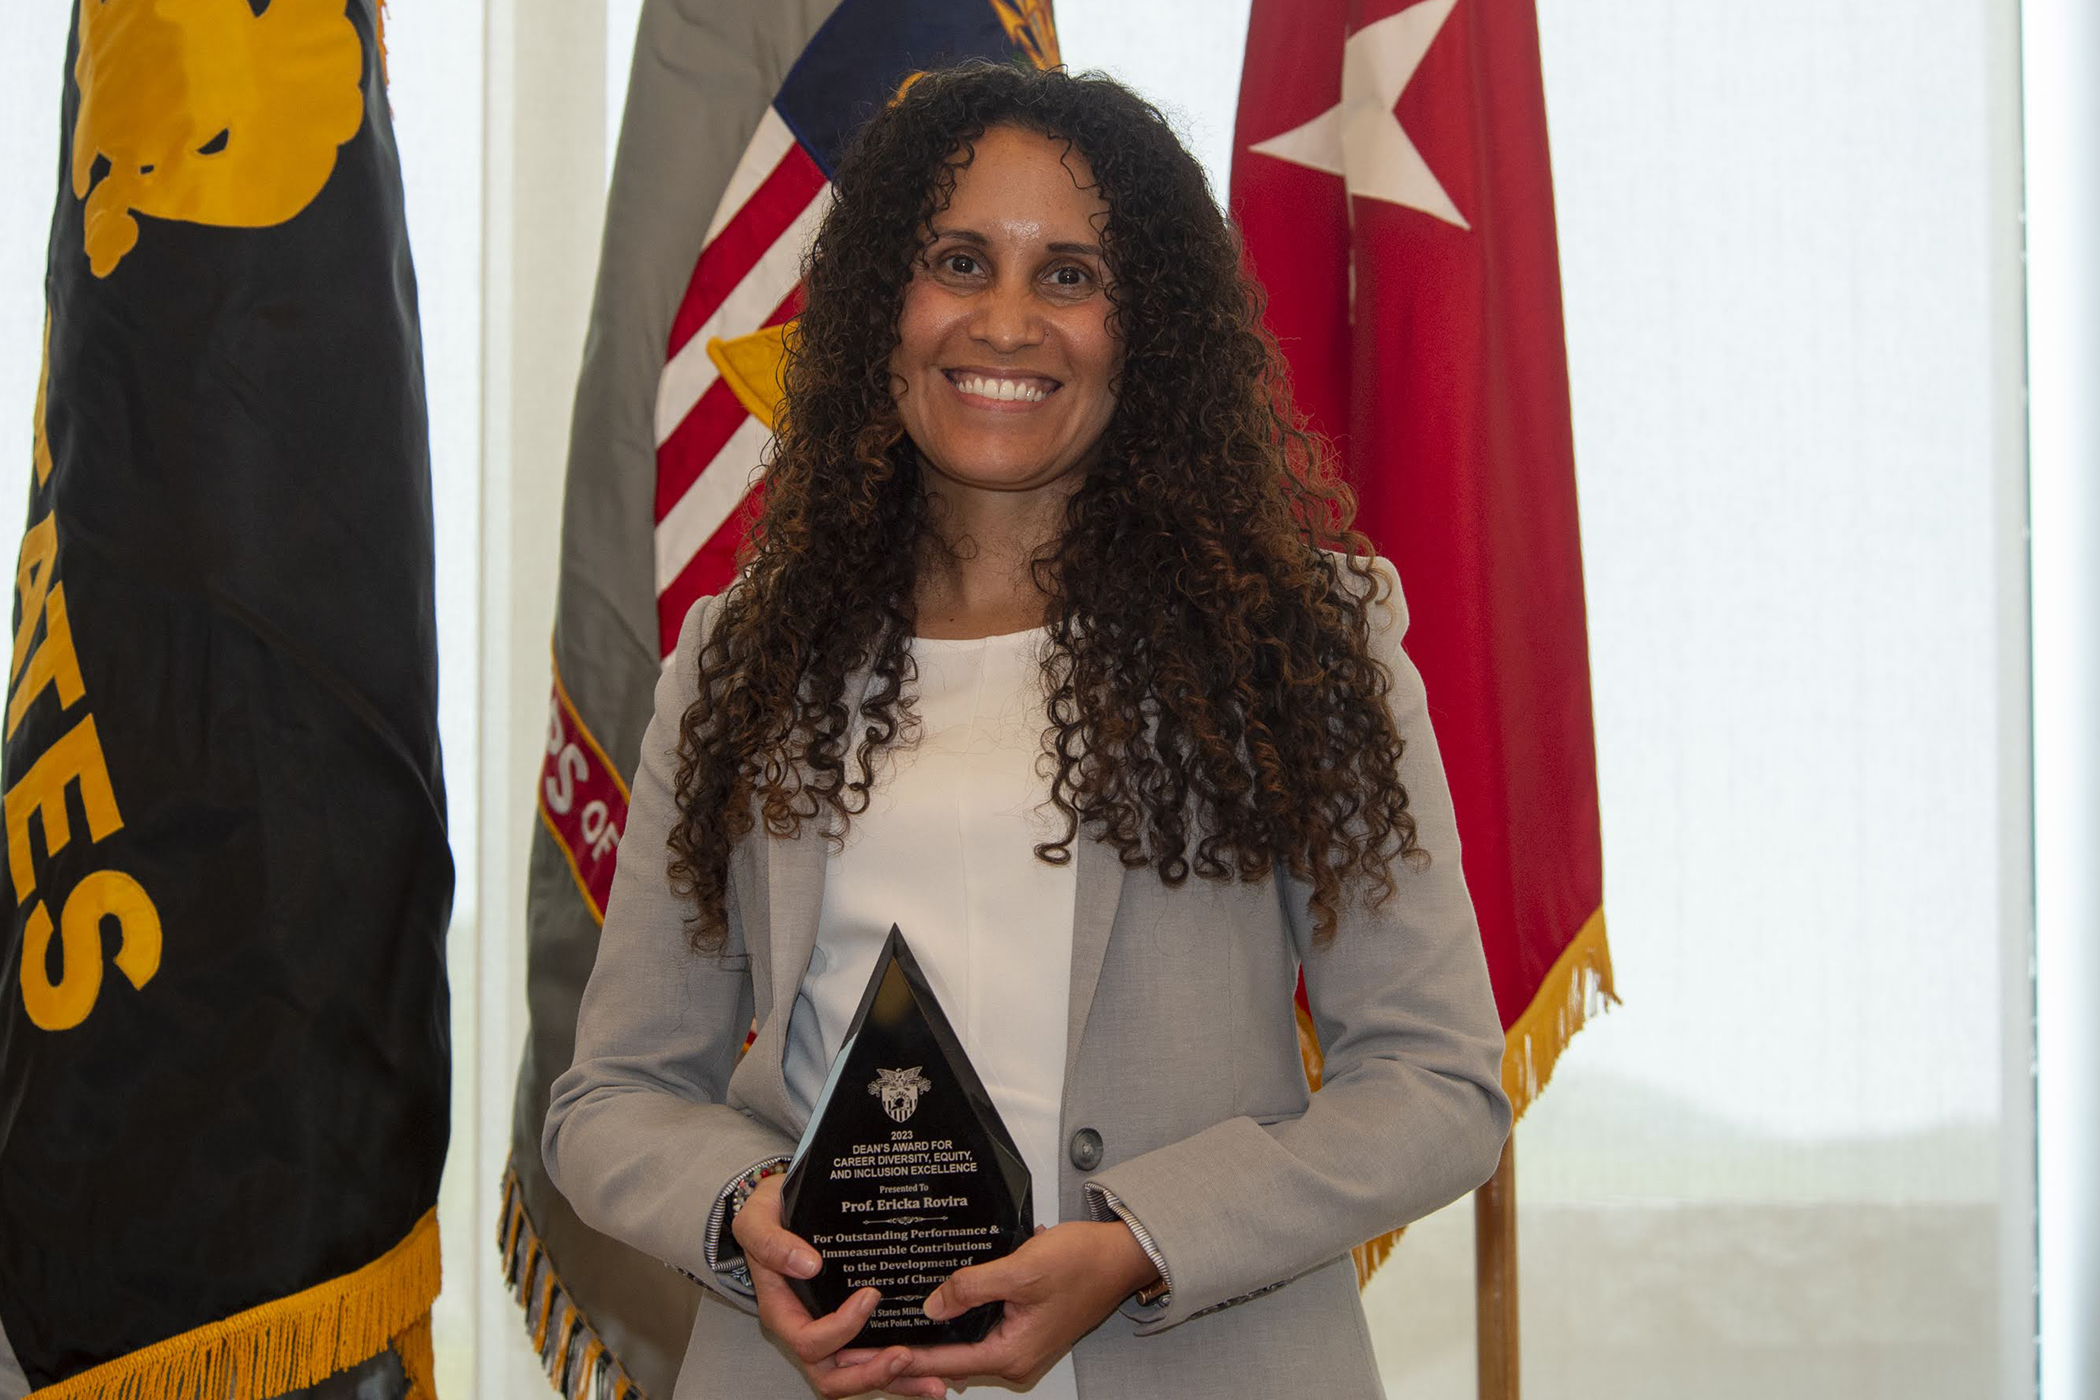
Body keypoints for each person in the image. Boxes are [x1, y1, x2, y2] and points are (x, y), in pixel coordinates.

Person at [543, 61, 1510, 1400]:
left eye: (1070, 275)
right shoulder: (742, 656)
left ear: (1149, 326)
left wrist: (1140, 1244)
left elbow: (1436, 1084)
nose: (1007, 322)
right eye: (958, 261)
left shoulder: (1304, 642)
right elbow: (610, 1102)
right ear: (885, 305)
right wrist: (744, 1210)